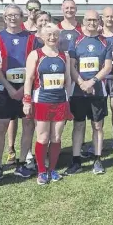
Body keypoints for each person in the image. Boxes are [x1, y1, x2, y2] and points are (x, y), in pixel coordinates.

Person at [0, 4, 40, 183]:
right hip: (6, 89)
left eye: (16, 15)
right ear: (4, 18)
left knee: (27, 125)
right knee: (2, 126)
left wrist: (22, 90)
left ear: (22, 16)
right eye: (9, 15)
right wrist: (10, 89)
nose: (13, 18)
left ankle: (22, 162)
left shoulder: (32, 38)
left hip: (26, 89)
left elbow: (36, 65)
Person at [23, 23, 73, 185]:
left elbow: (68, 79)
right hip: (42, 101)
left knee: (56, 137)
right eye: (49, 35)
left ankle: (52, 169)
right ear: (42, 37)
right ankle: (41, 171)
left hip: (60, 101)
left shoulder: (63, 56)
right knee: (43, 137)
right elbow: (29, 79)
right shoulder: (35, 54)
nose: (52, 38)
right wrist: (27, 100)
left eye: (55, 35)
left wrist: (68, 100)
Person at [67, 10, 113, 175]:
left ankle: (97, 159)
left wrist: (92, 82)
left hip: (98, 90)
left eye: (95, 20)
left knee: (97, 125)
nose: (92, 23)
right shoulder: (76, 40)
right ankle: (76, 160)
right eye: (89, 20)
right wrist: (81, 83)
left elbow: (107, 67)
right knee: (78, 125)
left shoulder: (105, 42)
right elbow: (71, 65)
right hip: (78, 92)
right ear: (83, 21)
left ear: (99, 21)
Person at [101, 7, 113, 151]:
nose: (109, 19)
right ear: (103, 18)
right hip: (100, 77)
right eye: (107, 16)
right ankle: (98, 141)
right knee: (99, 111)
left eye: (112, 16)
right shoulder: (98, 34)